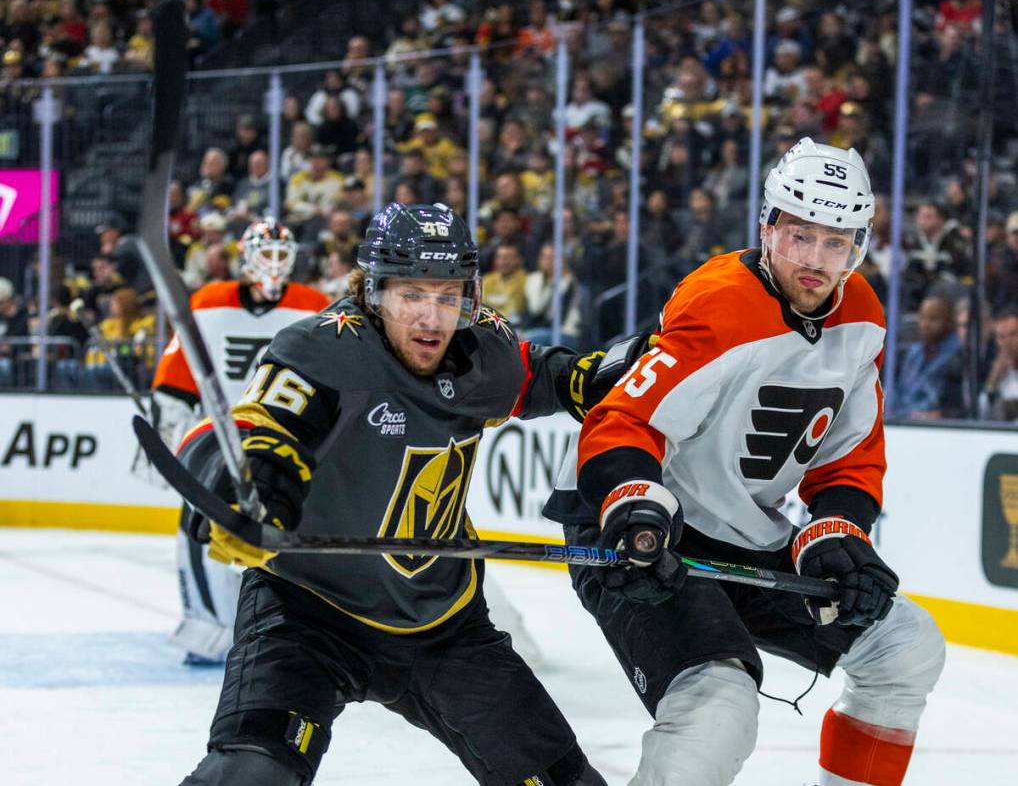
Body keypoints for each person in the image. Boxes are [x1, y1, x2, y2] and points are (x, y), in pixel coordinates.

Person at [544, 139, 946, 785]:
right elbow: (622, 422)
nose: (815, 260)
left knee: (905, 646)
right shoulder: (719, 303)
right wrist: (635, 502)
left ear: (859, 246)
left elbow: (850, 456)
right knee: (718, 706)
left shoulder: (863, 315)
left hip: (739, 528)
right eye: (799, 236)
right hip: (636, 524)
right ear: (767, 226)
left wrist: (836, 530)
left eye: (835, 242)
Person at [176, 203, 609, 786]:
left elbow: (541, 374)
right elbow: (243, 431)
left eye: (449, 295)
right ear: (374, 291)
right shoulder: (324, 349)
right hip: (308, 613)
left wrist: (595, 379)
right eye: (412, 295)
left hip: (446, 627)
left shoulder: (482, 348)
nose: (433, 318)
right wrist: (244, 485)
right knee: (249, 774)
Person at [151, 219, 331, 664]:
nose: (273, 265)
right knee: (201, 526)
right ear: (246, 257)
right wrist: (169, 432)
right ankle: (208, 625)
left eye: (280, 255)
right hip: (218, 441)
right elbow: (176, 378)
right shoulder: (208, 303)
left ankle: (290, 627)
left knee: (288, 529)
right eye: (265, 254)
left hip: (287, 440)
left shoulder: (316, 306)